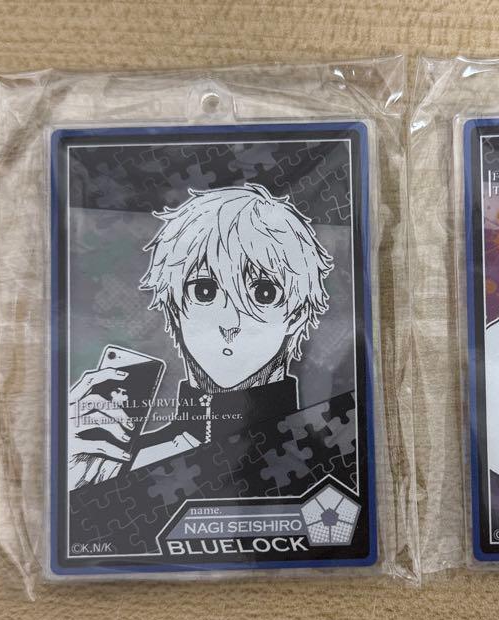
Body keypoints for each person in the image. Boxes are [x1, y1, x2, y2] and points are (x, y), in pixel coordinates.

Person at [68, 184, 332, 486]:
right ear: (173, 307)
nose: (229, 321)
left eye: (263, 293)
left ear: (296, 316)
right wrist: (76, 481)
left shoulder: (326, 456)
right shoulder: (120, 464)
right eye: (204, 291)